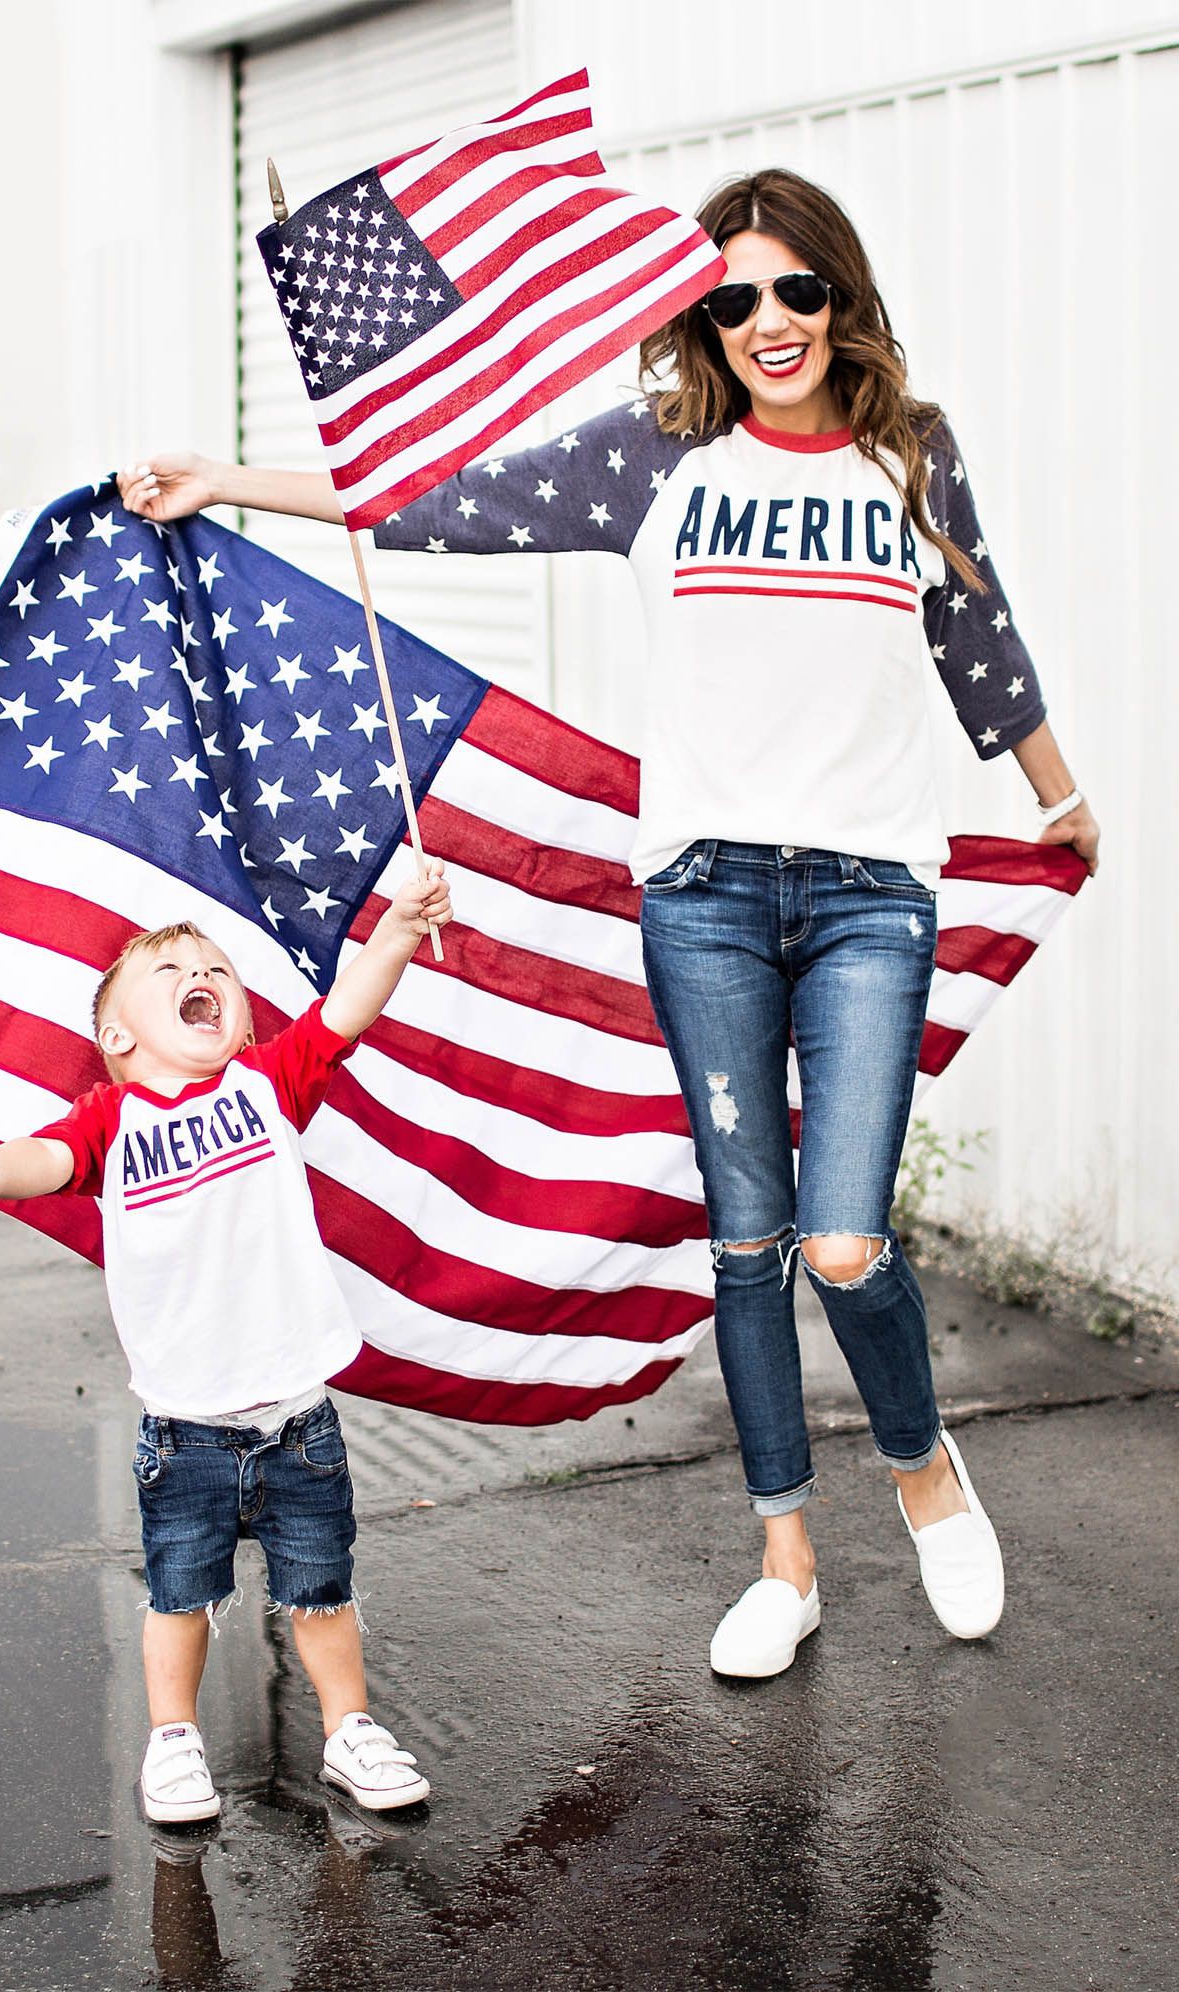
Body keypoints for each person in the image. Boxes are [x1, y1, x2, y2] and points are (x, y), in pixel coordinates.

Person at [116, 167, 1100, 1681]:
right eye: (734, 297)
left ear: (843, 298)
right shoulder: (658, 459)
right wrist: (227, 481)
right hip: (703, 895)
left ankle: (921, 1469)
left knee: (842, 1238)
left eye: (797, 290)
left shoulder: (913, 450)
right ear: (700, 316)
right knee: (751, 1241)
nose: (768, 322)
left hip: (868, 897)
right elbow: (434, 503)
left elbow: (978, 632)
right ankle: (785, 1556)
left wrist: (1058, 794)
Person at [0, 866, 452, 1814]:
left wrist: (401, 931)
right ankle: (173, 1740)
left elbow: (347, 1012)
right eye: (168, 967)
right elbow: (45, 1158)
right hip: (185, 1426)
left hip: (298, 1416)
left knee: (321, 1590)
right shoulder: (113, 1120)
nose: (197, 970)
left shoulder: (266, 1083)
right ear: (117, 1036)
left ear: (241, 1022)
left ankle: (348, 1729)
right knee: (181, 1594)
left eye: (212, 966)